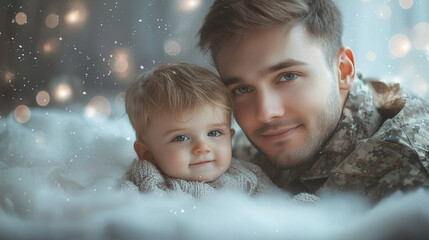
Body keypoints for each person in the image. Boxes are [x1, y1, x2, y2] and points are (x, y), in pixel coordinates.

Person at [198, 0, 429, 202]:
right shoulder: (247, 148)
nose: (266, 113)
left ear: (343, 70)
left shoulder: (408, 172)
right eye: (242, 89)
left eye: (287, 76)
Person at [120, 62, 277, 198]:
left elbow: (284, 211)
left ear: (230, 138)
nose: (202, 147)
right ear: (148, 154)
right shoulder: (147, 183)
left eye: (214, 133)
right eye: (181, 138)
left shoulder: (250, 177)